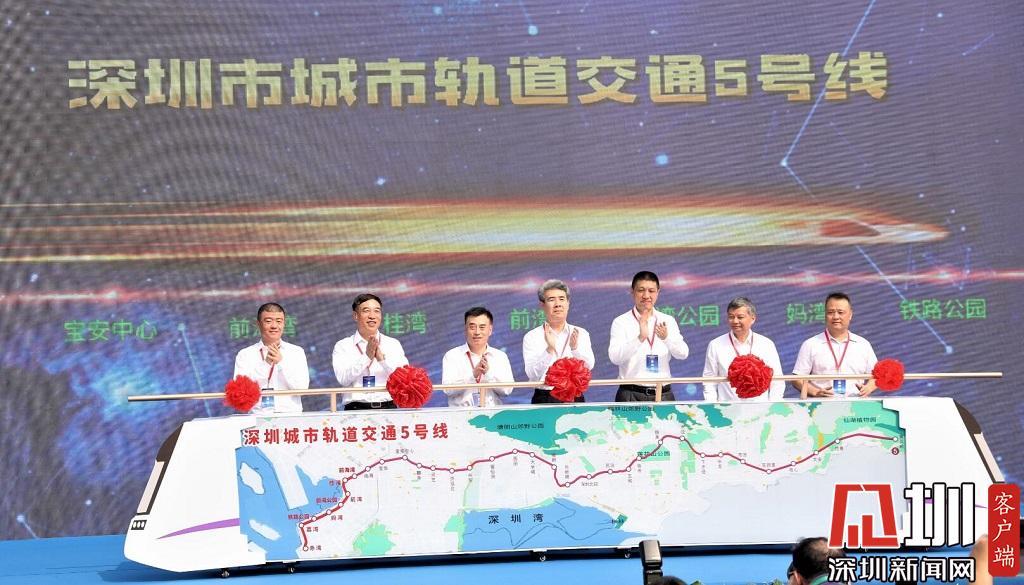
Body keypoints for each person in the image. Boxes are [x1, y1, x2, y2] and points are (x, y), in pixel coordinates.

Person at [608, 271, 689, 402]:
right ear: (632, 292)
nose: (646, 296)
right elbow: (615, 358)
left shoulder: (667, 320)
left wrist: (666, 339)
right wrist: (640, 338)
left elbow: (683, 354)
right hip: (631, 394)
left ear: (658, 292)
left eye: (651, 291)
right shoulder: (621, 322)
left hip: (663, 393)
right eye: (641, 290)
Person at [791, 292, 878, 399]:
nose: (836, 317)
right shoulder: (811, 344)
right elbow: (797, 378)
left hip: (856, 404)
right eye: (831, 312)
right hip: (821, 404)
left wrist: (868, 388)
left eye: (840, 312)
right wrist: (815, 391)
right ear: (825, 315)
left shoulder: (863, 345)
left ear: (850, 315)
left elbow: (877, 376)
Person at [522, 279, 596, 403]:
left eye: (562, 299)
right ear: (542, 305)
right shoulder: (532, 336)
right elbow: (532, 374)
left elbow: (589, 366)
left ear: (568, 303)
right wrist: (549, 349)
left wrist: (575, 349)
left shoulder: (580, 333)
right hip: (545, 397)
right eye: (551, 300)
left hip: (574, 396)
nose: (557, 304)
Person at [332, 293, 409, 410]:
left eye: (377, 311)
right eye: (366, 311)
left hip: (388, 407)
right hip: (355, 409)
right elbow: (343, 379)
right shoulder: (343, 345)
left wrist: (382, 361)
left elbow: (404, 379)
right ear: (355, 316)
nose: (372, 316)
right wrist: (367, 357)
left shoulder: (393, 344)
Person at [702, 297, 785, 402]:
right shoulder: (715, 345)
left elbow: (777, 380)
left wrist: (772, 405)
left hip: (760, 407)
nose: (735, 321)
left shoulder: (766, 344)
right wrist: (712, 406)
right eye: (731, 317)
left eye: (740, 317)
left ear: (753, 318)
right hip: (727, 408)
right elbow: (709, 381)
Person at [233, 302, 306, 413]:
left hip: (290, 415)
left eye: (279, 321)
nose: (274, 326)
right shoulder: (245, 354)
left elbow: (302, 388)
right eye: (268, 321)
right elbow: (240, 391)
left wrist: (281, 363)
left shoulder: (296, 352)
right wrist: (266, 364)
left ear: (284, 324)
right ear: (258, 324)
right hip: (257, 415)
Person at [442, 307, 515, 407]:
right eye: (472, 327)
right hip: (461, 413)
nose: (477, 332)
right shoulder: (452, 356)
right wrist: (473, 375)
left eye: (482, 327)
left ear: (490, 330)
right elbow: (447, 390)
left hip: (492, 413)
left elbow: (507, 390)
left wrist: (488, 374)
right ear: (465, 329)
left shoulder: (500, 356)